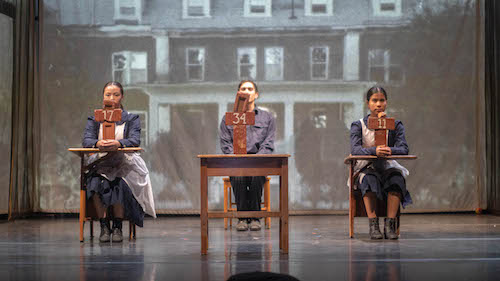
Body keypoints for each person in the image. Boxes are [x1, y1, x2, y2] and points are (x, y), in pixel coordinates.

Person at [82, 81, 156, 242]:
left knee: (119, 183)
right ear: (103, 97)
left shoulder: (131, 118)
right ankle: (104, 226)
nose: (112, 98)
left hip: (124, 163)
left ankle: (117, 226)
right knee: (95, 182)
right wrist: (97, 143)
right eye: (108, 94)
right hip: (101, 162)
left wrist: (119, 143)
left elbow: (135, 140)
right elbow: (86, 140)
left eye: (116, 94)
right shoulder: (94, 118)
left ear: (122, 97)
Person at [350, 86, 412, 240]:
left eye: (382, 100)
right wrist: (374, 151)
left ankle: (390, 224)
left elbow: (404, 148)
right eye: (374, 100)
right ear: (368, 103)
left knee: (397, 179)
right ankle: (374, 224)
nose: (378, 104)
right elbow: (355, 149)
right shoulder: (358, 125)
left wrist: (388, 150)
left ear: (386, 102)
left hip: (387, 166)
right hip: (366, 167)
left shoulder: (395, 125)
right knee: (369, 179)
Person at [219, 80, 276, 231]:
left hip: (259, 161)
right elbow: (226, 144)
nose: (246, 91)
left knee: (257, 175)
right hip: (236, 162)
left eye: (250, 89)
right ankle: (243, 218)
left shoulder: (267, 118)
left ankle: (255, 217)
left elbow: (268, 144)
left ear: (256, 95)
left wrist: (256, 160)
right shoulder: (228, 118)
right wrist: (237, 160)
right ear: (238, 94)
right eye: (243, 88)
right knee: (238, 176)